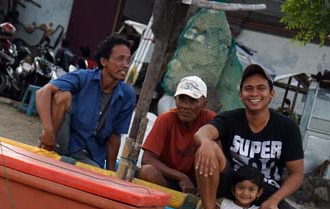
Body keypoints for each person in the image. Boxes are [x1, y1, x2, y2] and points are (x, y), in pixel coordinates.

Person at [193, 64, 315, 209]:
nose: (254, 93)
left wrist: (273, 201)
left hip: (266, 192)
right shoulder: (230, 118)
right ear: (240, 95)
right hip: (233, 185)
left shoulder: (287, 127)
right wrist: (206, 142)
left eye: (261, 88)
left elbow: (297, 175)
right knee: (207, 147)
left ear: (272, 94)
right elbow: (202, 133)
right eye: (248, 88)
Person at [35, 35, 135, 170]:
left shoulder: (128, 95)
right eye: (120, 59)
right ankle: (46, 151)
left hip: (91, 156)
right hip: (63, 142)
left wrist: (110, 175)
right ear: (104, 61)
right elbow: (43, 92)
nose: (126, 65)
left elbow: (114, 137)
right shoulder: (83, 77)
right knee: (62, 96)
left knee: (95, 173)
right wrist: (48, 131)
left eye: (128, 60)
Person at [137, 76, 216, 193]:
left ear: (204, 103)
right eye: (181, 99)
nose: (185, 106)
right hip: (166, 178)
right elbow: (147, 159)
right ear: (175, 99)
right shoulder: (165, 120)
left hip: (197, 181)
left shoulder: (211, 119)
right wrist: (180, 176)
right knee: (146, 171)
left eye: (193, 101)